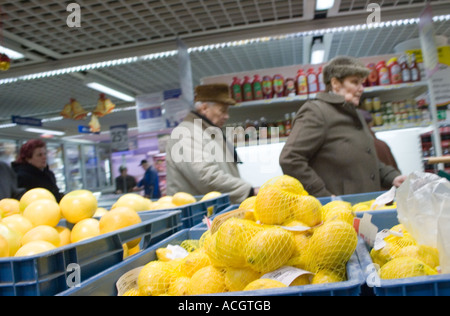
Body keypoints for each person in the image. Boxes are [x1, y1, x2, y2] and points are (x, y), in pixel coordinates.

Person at [279, 56, 406, 197]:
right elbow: (290, 159)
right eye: (355, 82)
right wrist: (323, 196)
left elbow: (364, 160)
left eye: (361, 83)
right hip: (336, 214)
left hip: (364, 208)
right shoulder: (316, 111)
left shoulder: (356, 114)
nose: (361, 89)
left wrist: (392, 177)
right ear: (336, 84)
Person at [165, 83, 254, 204]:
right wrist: (248, 191)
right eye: (222, 110)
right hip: (197, 217)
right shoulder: (186, 133)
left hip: (213, 212)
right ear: (204, 108)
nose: (227, 116)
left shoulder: (209, 132)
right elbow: (205, 176)